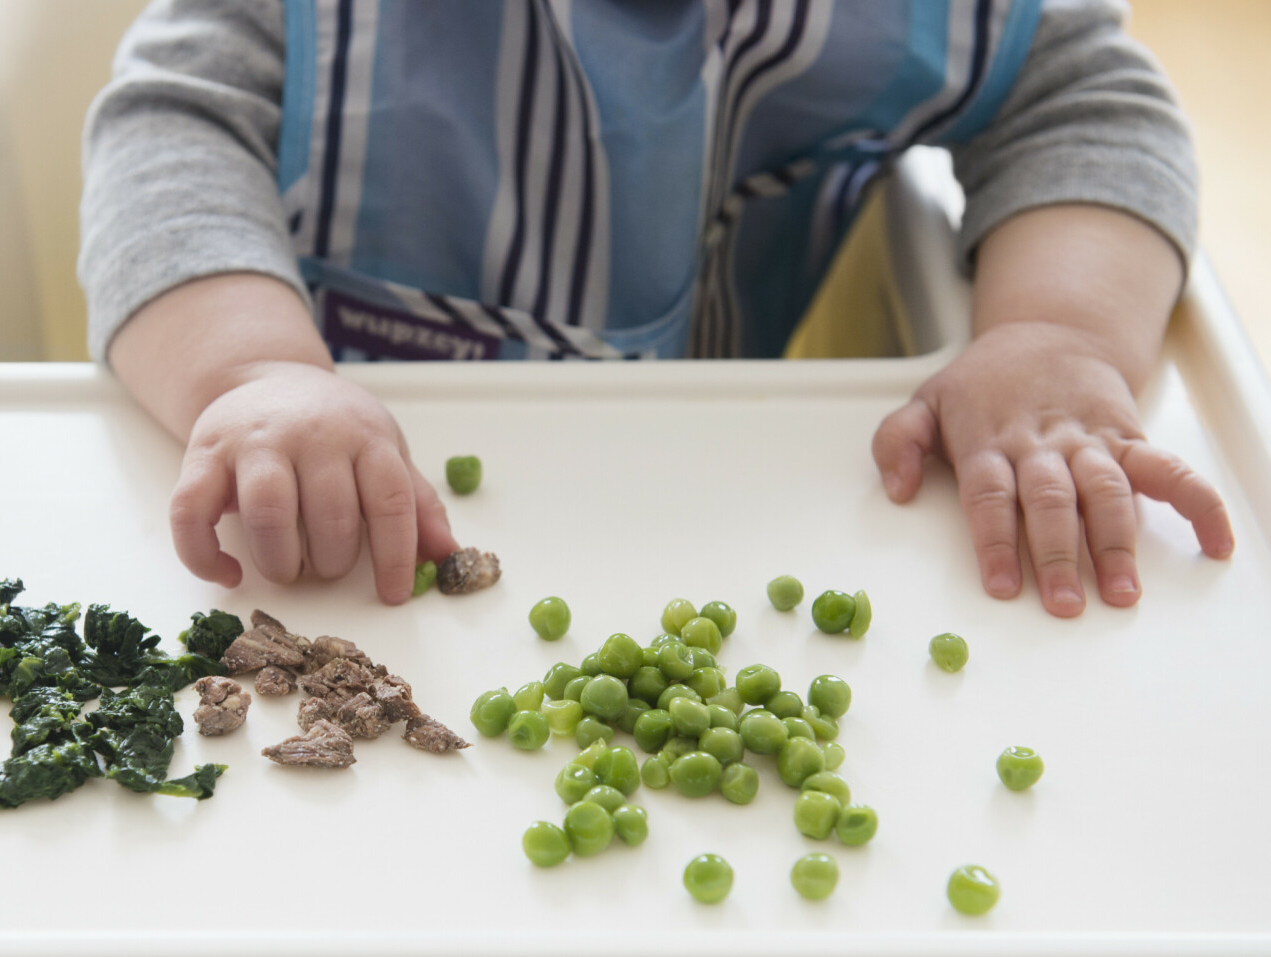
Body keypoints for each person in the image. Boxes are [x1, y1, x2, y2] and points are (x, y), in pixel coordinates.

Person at [79, 0, 1234, 612]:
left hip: (705, 492)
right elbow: (169, 134)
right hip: (333, 510)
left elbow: (1083, 102)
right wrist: (248, 372)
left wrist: (1056, 335)